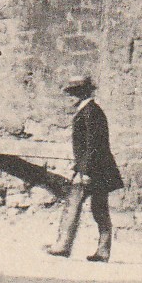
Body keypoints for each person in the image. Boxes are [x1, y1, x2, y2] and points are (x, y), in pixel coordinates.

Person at [46, 75, 123, 263]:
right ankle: (102, 250)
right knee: (99, 209)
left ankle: (63, 246)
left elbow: (93, 145)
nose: (70, 98)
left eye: (73, 94)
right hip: (97, 170)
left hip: (94, 171)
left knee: (76, 204)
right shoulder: (89, 111)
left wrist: (86, 172)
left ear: (82, 94)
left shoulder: (90, 112)